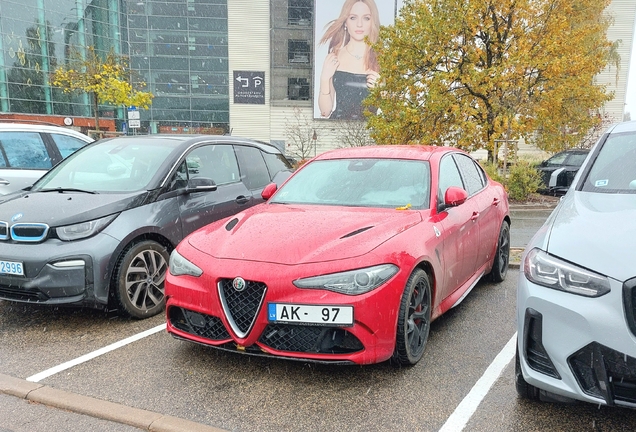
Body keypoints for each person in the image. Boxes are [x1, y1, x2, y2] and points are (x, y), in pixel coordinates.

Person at [318, 0, 381, 120]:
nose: (359, 24)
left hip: (369, 134)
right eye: (353, 18)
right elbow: (325, 111)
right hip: (338, 132)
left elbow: (395, 114)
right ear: (345, 22)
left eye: (366, 18)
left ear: (373, 22)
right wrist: (324, 79)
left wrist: (383, 92)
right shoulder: (335, 57)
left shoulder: (383, 60)